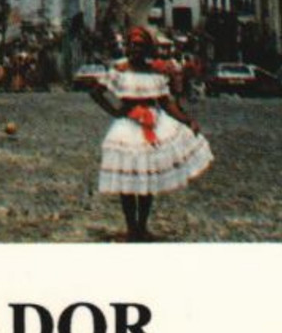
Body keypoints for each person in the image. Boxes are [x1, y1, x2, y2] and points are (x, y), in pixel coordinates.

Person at [88, 27, 212, 242]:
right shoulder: (120, 70)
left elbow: (166, 103)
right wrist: (115, 111)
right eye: (132, 45)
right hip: (127, 127)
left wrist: (186, 120)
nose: (135, 49)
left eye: (140, 45)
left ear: (146, 49)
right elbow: (96, 92)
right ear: (127, 46)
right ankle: (131, 228)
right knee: (127, 179)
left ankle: (142, 227)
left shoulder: (156, 73)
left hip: (153, 126)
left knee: (147, 177)